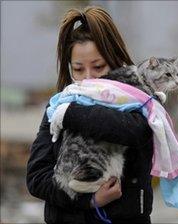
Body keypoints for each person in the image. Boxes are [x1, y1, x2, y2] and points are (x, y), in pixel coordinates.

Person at [26, 6, 153, 224]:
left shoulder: (136, 102)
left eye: (98, 66)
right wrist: (89, 201)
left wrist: (72, 114)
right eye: (78, 69)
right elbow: (37, 178)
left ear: (115, 60)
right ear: (69, 68)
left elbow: (133, 132)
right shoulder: (60, 105)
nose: (88, 78)